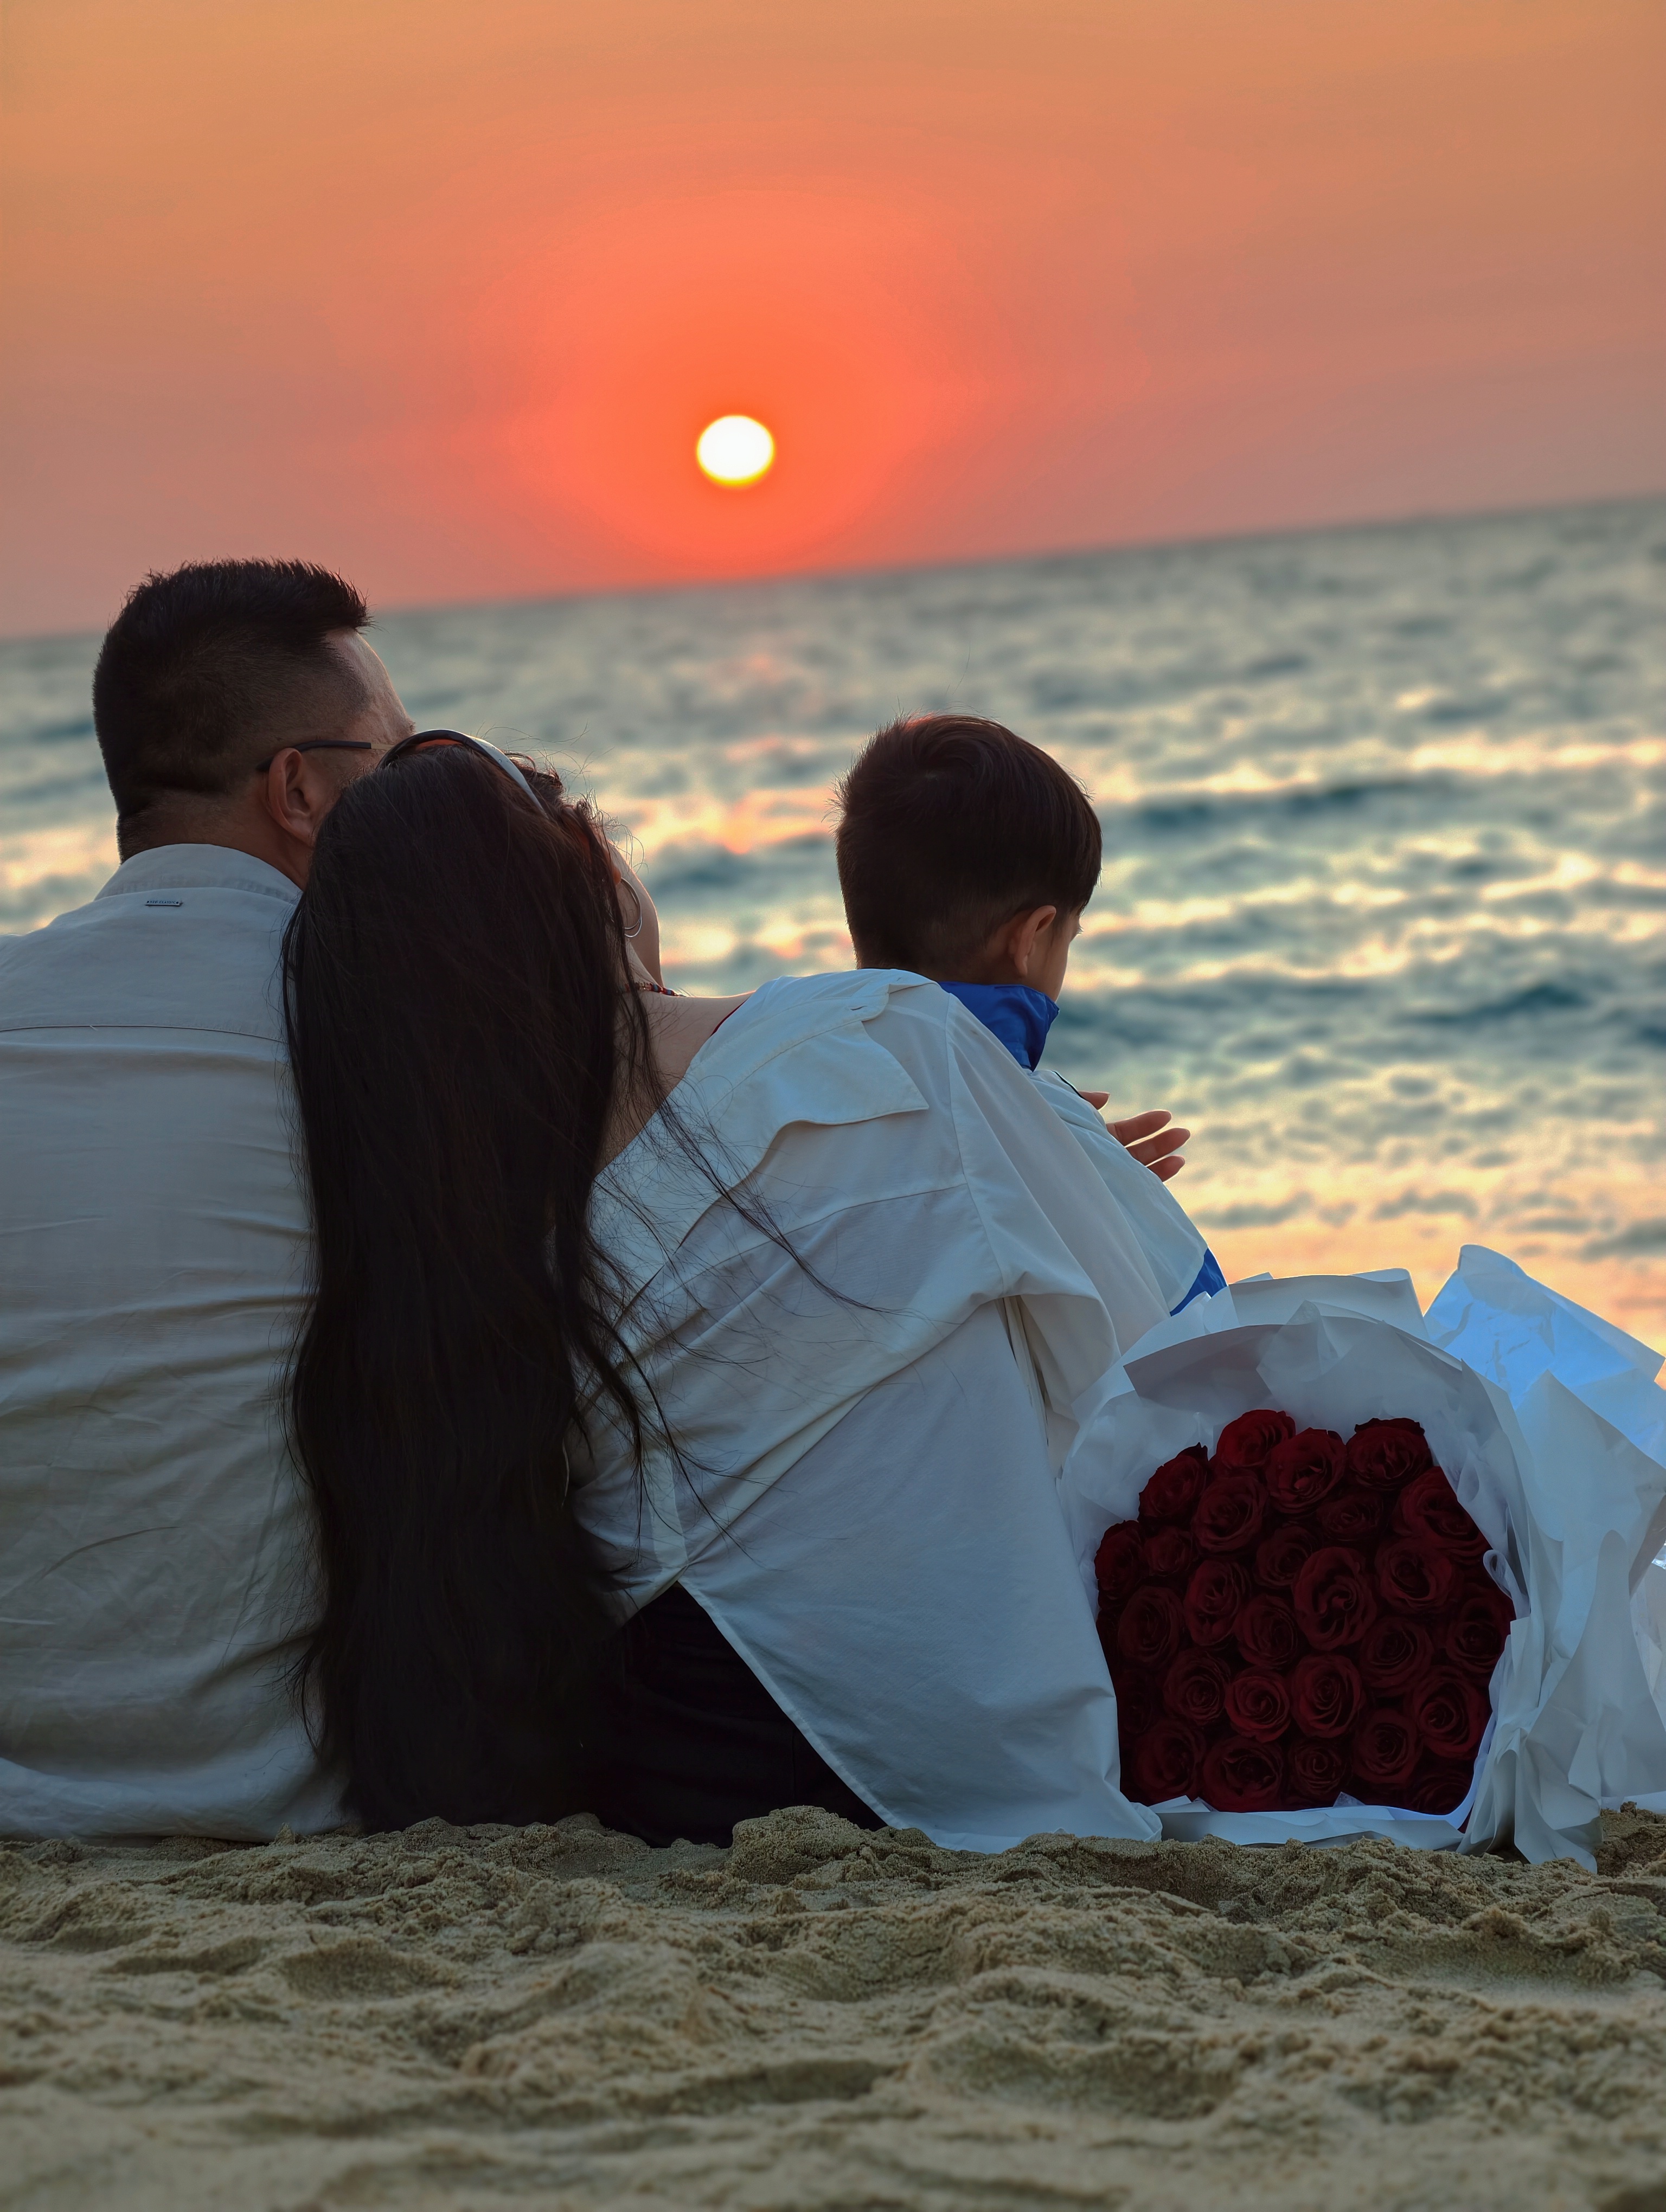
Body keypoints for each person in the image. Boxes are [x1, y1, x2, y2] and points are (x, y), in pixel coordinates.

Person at [280, 738, 1173, 1849]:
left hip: (668, 1784)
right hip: (953, 1768)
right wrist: (1074, 1168)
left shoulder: (451, 1256)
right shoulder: (880, 1039)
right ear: (598, 877)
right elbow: (1134, 1374)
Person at [0, 558, 413, 1837]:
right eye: (393, 766)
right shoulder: (389, 1032)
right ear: (298, 790)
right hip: (284, 1788)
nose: (412, 806)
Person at [835, 713, 1227, 1315]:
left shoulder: (797, 1091)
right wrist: (1107, 1196)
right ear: (1033, 936)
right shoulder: (1044, 1128)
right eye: (1070, 936)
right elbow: (1211, 1336)